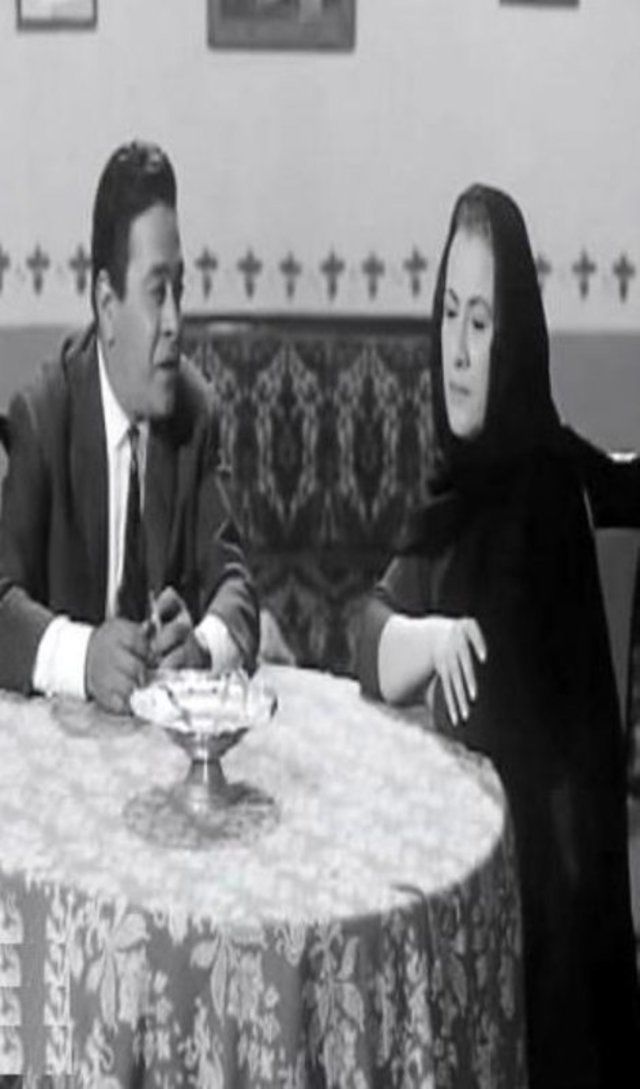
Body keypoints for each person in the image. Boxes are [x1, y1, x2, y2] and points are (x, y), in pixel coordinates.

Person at [357, 184, 639, 1089]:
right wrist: (429, 640)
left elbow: (521, 773)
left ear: (511, 341)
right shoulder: (461, 481)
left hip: (536, 941)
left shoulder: (542, 496)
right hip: (462, 886)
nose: (457, 349)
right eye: (448, 312)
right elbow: (369, 633)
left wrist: (418, 654)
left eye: (481, 322)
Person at [0, 140, 259, 714]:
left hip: (163, 753)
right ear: (106, 304)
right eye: (156, 293)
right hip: (59, 753)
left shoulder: (196, 414)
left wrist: (199, 649)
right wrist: (84, 657)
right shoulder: (42, 417)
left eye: (179, 291)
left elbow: (237, 591)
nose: (175, 323)